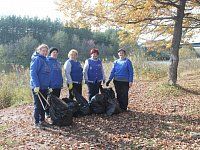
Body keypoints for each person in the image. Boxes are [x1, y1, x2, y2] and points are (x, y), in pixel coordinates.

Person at [30, 44, 51, 128]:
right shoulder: (37, 59)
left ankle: (42, 120)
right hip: (37, 87)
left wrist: (49, 86)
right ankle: (37, 122)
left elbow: (47, 74)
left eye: (46, 51)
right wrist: (36, 85)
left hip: (44, 87)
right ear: (39, 50)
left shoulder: (46, 60)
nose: (45, 52)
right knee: (38, 105)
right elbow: (33, 72)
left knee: (43, 104)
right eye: (43, 50)